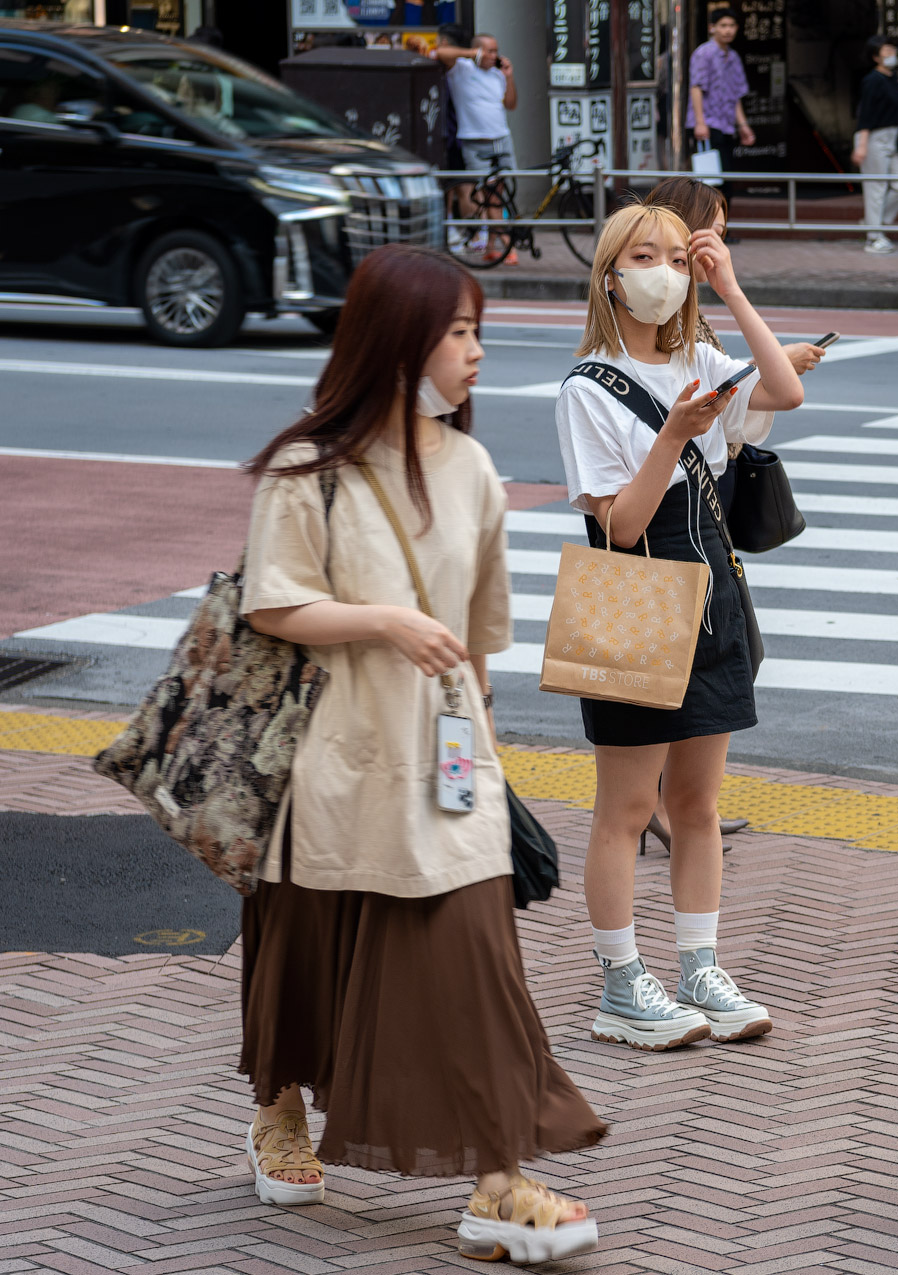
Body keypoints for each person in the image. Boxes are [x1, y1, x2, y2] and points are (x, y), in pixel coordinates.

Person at [237, 244, 605, 1264]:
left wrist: (480, 763)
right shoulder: (309, 472)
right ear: (396, 344)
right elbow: (273, 601)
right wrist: (387, 623)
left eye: (477, 329)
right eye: (456, 331)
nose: (476, 350)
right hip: (324, 766)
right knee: (305, 952)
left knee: (476, 970)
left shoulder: (474, 468)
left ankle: (498, 1181)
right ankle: (279, 1115)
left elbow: (479, 639)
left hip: (442, 773)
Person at [554, 201, 804, 1054]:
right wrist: (671, 434)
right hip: (633, 600)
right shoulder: (587, 385)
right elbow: (619, 526)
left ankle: (700, 965)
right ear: (611, 275)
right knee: (626, 807)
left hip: (710, 598)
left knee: (697, 803)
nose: (662, 270)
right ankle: (620, 980)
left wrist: (729, 285)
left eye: (675, 255)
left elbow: (785, 390)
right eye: (643, 256)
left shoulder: (702, 357)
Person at [634, 174, 826, 854]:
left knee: (718, 667)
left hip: (705, 532)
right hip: (659, 536)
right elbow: (619, 511)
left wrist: (741, 308)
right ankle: (656, 806)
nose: (716, 244)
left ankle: (681, 804)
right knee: (653, 684)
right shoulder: (629, 346)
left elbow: (780, 393)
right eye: (707, 228)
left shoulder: (697, 332)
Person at [432, 35, 518, 264]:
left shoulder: (497, 74)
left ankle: (492, 246)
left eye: (496, 51)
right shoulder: (461, 69)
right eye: (489, 51)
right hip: (474, 140)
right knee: (487, 194)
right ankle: (504, 241)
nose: (494, 56)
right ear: (478, 50)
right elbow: (440, 53)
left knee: (499, 193)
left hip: (501, 138)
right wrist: (471, 54)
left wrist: (509, 77)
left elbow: (510, 104)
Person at [853, 35, 898, 255]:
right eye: (886, 51)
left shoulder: (891, 78)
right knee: (876, 188)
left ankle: (874, 222)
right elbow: (866, 115)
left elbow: (890, 110)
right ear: (875, 56)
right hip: (874, 138)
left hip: (892, 138)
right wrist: (861, 145)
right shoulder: (872, 80)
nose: (891, 55)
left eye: (892, 50)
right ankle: (874, 237)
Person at [688, 7, 754, 185]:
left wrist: (743, 125)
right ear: (712, 28)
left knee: (726, 179)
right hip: (708, 124)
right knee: (711, 182)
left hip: (727, 125)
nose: (728, 30)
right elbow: (696, 88)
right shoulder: (704, 53)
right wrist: (700, 123)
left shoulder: (733, 56)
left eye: (732, 25)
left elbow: (735, 96)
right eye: (723, 25)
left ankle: (724, 213)